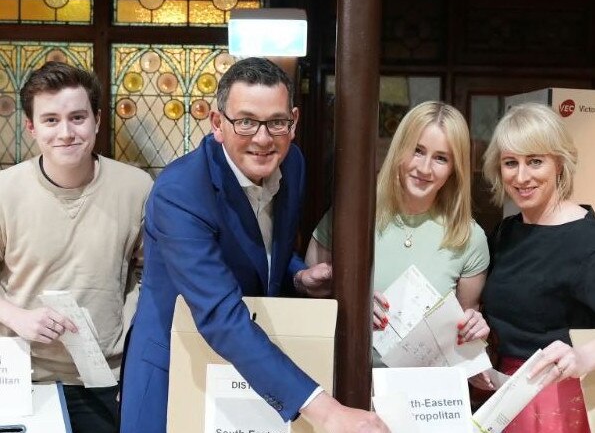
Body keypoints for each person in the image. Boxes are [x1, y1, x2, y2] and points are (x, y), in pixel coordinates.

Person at [119, 57, 389, 433]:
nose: (263, 139)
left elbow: (259, 247)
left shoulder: (292, 162)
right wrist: (328, 411)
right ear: (218, 124)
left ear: (293, 122)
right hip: (175, 368)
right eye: (245, 121)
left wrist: (298, 276)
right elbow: (218, 314)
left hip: (252, 366)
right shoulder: (180, 192)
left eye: (276, 122)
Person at [0, 62, 153, 433]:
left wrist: (139, 361)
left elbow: (155, 278)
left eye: (77, 117)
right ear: (31, 127)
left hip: (108, 378)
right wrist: (16, 316)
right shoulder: (5, 190)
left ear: (97, 120)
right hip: (20, 376)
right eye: (50, 120)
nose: (66, 132)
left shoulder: (137, 187)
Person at [308, 101, 490, 357]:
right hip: (347, 379)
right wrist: (349, 301)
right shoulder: (350, 216)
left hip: (424, 390)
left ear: (454, 169)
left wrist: (475, 328)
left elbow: (463, 336)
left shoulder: (469, 237)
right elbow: (309, 297)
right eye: (417, 150)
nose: (424, 168)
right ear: (399, 149)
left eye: (441, 158)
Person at [482, 102, 595, 432]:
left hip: (563, 403)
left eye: (535, 161)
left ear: (559, 163)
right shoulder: (506, 232)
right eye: (510, 163)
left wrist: (584, 357)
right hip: (504, 395)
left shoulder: (588, 239)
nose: (521, 176)